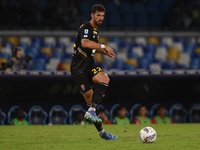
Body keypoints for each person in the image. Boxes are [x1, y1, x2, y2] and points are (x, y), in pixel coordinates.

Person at [70, 4, 117, 140]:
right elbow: (84, 43)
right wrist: (104, 46)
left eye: (102, 15)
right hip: (78, 69)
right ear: (92, 15)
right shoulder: (86, 28)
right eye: (98, 15)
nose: (101, 18)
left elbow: (92, 48)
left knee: (105, 78)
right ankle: (102, 132)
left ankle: (91, 111)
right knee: (90, 99)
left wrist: (104, 51)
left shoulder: (95, 32)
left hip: (89, 65)